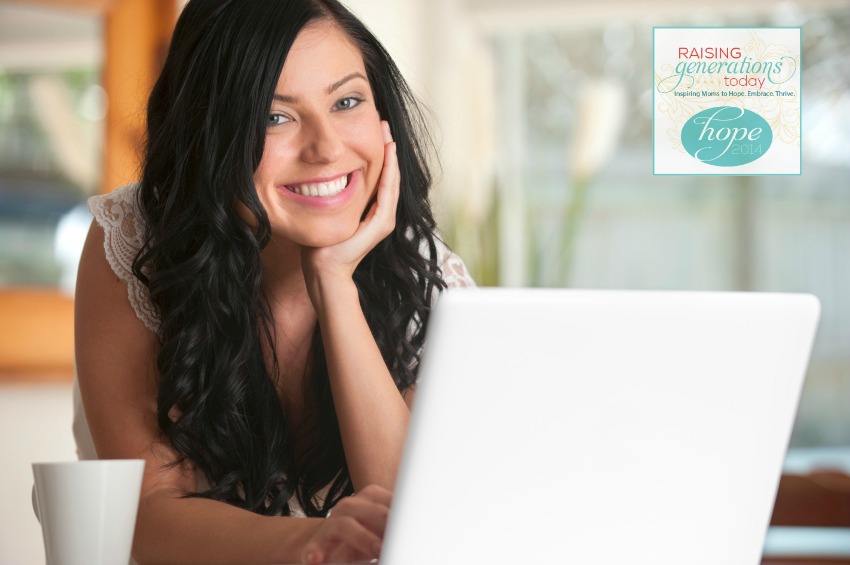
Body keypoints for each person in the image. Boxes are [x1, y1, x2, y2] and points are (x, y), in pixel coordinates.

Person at [72, 0, 475, 563]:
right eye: (274, 116)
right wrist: (313, 542)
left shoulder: (425, 276)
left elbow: (415, 524)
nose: (327, 148)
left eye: (347, 101)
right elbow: (150, 513)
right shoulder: (137, 238)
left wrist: (335, 284)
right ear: (211, 133)